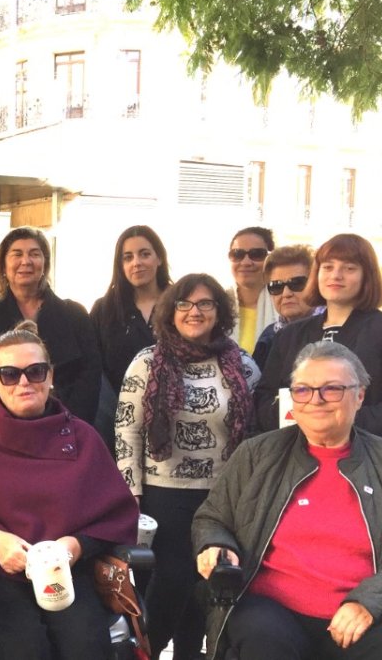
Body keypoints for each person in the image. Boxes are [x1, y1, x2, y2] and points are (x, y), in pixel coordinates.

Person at [193, 341, 382, 660]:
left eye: (332, 389)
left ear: (359, 396)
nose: (316, 399)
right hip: (270, 609)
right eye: (303, 390)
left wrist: (369, 602)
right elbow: (212, 519)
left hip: (361, 616)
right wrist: (216, 545)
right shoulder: (256, 456)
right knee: (263, 644)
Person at [0, 321, 139, 659]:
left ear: (51, 376)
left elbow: (115, 514)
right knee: (23, 648)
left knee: (86, 645)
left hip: (69, 571)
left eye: (35, 371)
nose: (24, 382)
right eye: (10, 374)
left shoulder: (83, 438)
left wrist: (76, 546)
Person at [114, 273, 259, 660]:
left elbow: (255, 436)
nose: (194, 312)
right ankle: (148, 651)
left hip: (221, 496)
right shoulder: (147, 362)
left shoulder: (243, 366)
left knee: (204, 585)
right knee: (169, 584)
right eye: (185, 304)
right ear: (171, 310)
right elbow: (127, 431)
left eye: (205, 304)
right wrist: (132, 495)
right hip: (164, 495)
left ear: (219, 311)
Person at [255, 234, 382, 447]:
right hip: (298, 457)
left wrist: (342, 424)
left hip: (369, 458)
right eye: (328, 267)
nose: (336, 275)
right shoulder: (289, 335)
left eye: (349, 268)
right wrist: (303, 421)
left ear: (366, 276)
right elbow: (265, 398)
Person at [0, 226, 101, 423]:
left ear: (45, 263)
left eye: (34, 254)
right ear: (3, 266)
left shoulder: (74, 314)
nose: (26, 261)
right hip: (0, 430)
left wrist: (70, 423)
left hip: (65, 427)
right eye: (17, 254)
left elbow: (90, 377)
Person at [90, 225, 172, 449]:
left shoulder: (181, 305)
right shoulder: (105, 309)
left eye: (144, 254)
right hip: (116, 425)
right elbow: (94, 369)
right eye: (128, 257)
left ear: (159, 259)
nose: (136, 262)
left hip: (174, 419)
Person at [251, 245, 317, 371]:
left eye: (297, 283)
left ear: (315, 284)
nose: (286, 293)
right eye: (276, 286)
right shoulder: (269, 337)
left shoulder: (333, 330)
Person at [225, 227, 276, 357]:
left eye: (257, 254)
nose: (246, 262)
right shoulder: (216, 304)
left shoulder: (284, 305)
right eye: (237, 254)